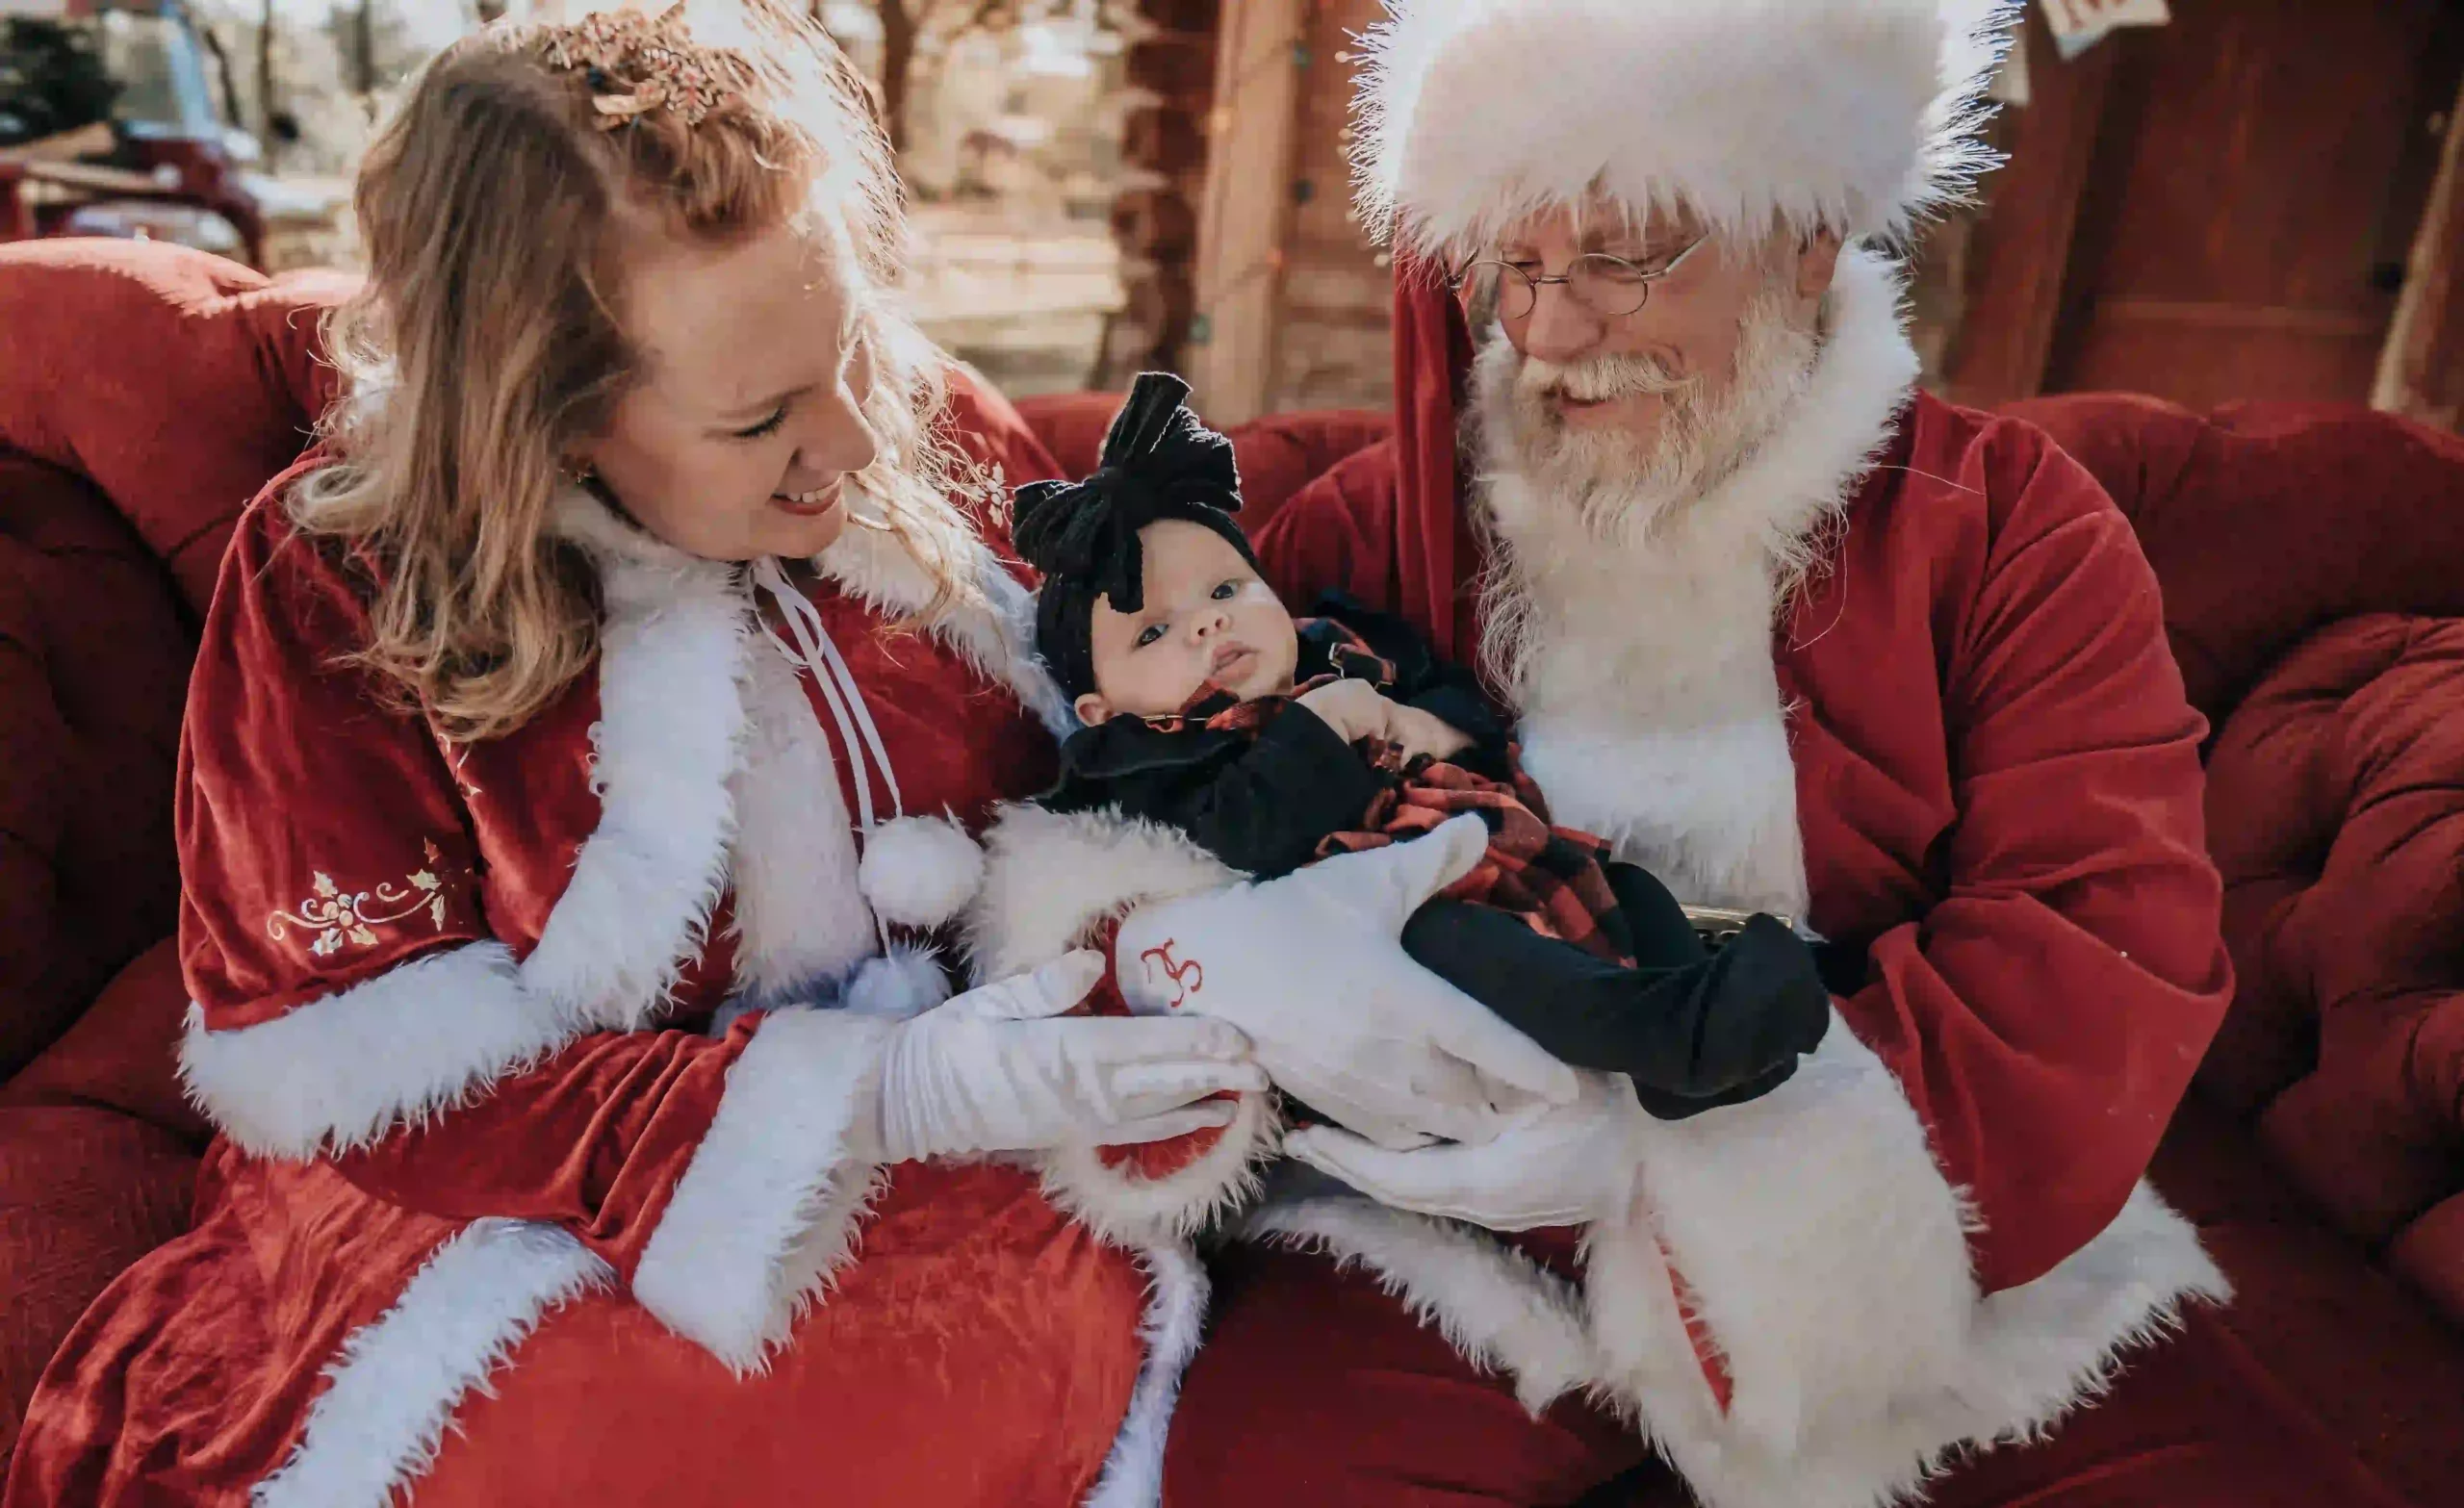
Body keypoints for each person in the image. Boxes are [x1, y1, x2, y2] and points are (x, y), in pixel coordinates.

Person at [1, 7, 1564, 1505]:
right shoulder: (342, 581)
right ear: (540, 418)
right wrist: (882, 1093)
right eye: (759, 421)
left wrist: (1183, 950)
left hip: (1004, 1164)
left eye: (846, 348)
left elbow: (1132, 769)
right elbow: (370, 1066)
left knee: (1029, 1348)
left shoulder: (927, 433)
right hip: (510, 1211)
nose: (859, 445)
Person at [1141, 1, 2422, 1506]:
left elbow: (2098, 938)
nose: (1551, 335)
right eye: (1527, 267)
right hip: (1459, 1223)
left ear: (1809, 235)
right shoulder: (1376, 522)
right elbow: (1188, 824)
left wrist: (1679, 1177)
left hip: (1925, 1227)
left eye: (1624, 255)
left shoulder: (2013, 528)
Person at [1012, 371, 1831, 1115]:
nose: (1208, 621)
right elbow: (1245, 831)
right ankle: (1664, 1034)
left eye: (1227, 587)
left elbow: (1466, 713)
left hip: (1509, 849)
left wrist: (1420, 725)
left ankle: (1700, 1023)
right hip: (1397, 917)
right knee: (1471, 949)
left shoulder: (1339, 645)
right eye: (1156, 630)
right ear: (1097, 704)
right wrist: (1324, 722)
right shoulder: (1150, 754)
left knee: (1629, 888)